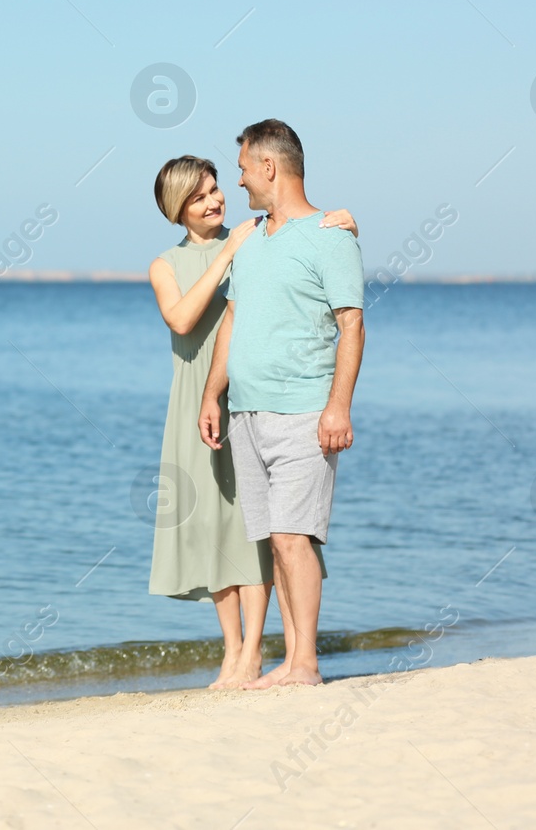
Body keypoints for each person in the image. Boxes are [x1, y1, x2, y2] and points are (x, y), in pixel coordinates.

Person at [148, 154, 355, 688]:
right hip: (197, 397)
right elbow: (183, 317)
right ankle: (233, 651)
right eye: (199, 196)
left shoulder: (257, 235)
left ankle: (258, 652)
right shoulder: (167, 264)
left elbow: (308, 234)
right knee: (212, 528)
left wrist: (347, 220)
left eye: (216, 188)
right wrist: (228, 253)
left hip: (251, 394)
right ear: (177, 209)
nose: (215, 200)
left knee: (257, 530)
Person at [198, 121, 364, 689]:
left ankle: (305, 665)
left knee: (296, 537)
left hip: (302, 410)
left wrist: (337, 406)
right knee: (276, 541)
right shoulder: (251, 238)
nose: (238, 181)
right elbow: (233, 319)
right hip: (246, 410)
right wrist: (212, 392)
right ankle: (293, 661)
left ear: (269, 167)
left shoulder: (331, 236)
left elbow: (352, 325)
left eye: (243, 168)